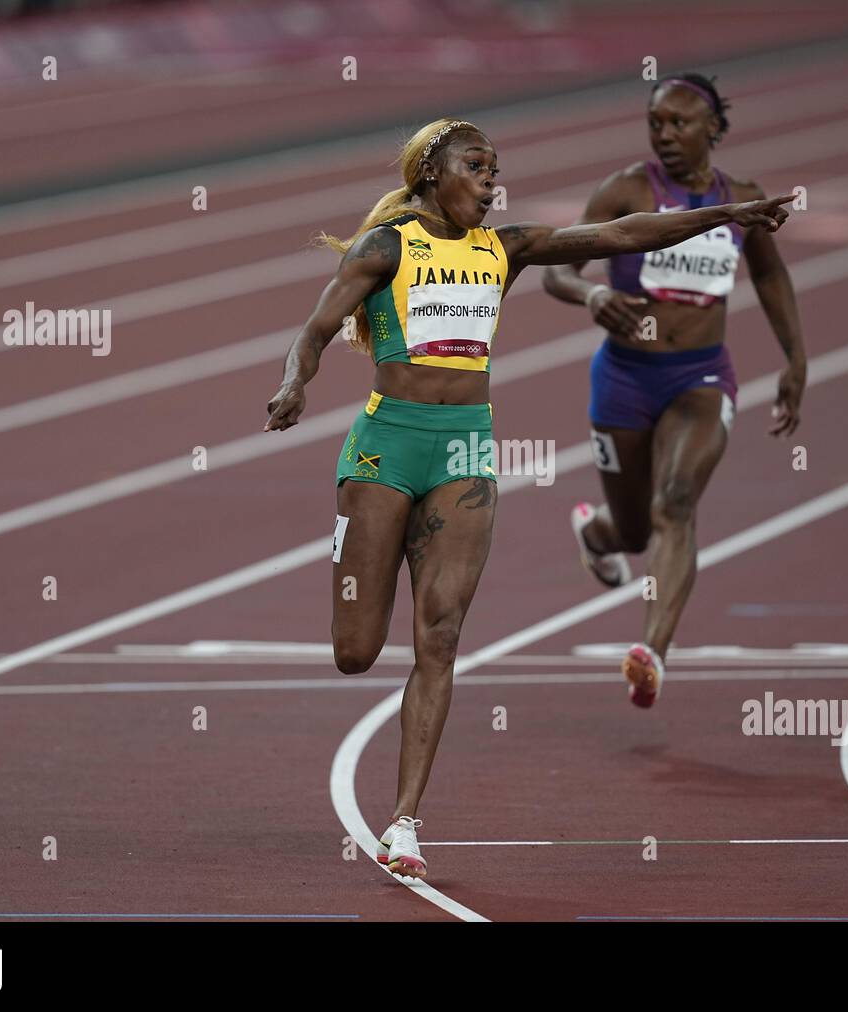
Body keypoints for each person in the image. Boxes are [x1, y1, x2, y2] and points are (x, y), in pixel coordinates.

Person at [263, 117, 794, 879]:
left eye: (496, 170)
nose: (490, 181)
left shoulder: (503, 247)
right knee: (355, 654)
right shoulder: (387, 248)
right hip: (386, 448)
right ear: (430, 175)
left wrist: (727, 215)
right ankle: (358, 568)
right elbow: (314, 331)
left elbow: (622, 236)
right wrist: (293, 382)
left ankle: (405, 822)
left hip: (468, 451)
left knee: (439, 641)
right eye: (475, 167)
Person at [543, 74, 807, 707]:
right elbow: (557, 268)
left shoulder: (741, 201)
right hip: (625, 379)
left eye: (679, 123)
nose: (664, 134)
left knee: (677, 501)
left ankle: (652, 652)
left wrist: (796, 361)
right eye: (655, 123)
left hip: (700, 377)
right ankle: (597, 535)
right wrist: (594, 293)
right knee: (635, 530)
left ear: (713, 128)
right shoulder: (627, 190)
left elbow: (771, 277)